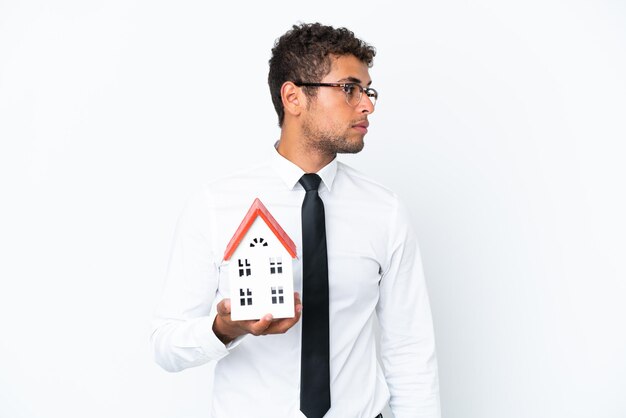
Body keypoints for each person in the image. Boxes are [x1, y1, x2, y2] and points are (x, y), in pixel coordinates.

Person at [151, 22, 441, 418]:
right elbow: (166, 344)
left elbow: (409, 351)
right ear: (293, 97)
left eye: (368, 91)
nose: (367, 105)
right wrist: (224, 329)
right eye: (349, 88)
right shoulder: (215, 206)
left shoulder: (385, 211)